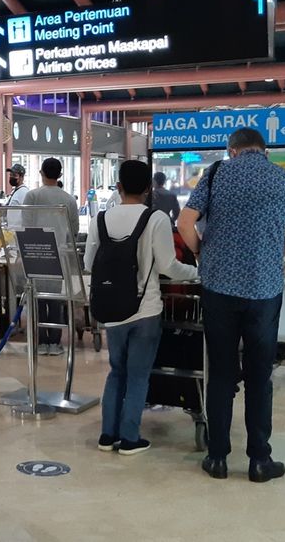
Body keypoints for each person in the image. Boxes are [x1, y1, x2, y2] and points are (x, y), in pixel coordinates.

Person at [176, 128, 285, 484]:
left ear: (232, 150)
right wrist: (268, 251)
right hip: (264, 292)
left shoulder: (217, 173)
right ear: (264, 151)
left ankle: (217, 457)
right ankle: (259, 460)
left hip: (219, 288)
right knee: (259, 376)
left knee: (220, 374)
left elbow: (185, 223)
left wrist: (202, 251)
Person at [86, 161, 198, 455]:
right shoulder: (156, 219)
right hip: (145, 310)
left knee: (116, 372)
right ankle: (130, 438)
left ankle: (107, 435)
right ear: (149, 190)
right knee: (138, 375)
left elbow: (88, 264)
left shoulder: (100, 218)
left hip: (111, 310)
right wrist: (197, 272)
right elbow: (168, 266)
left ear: (118, 187)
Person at [23, 157, 79, 356]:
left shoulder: (32, 196)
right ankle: (55, 343)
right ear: (60, 175)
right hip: (60, 254)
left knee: (37, 298)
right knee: (55, 299)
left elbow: (26, 225)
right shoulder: (69, 199)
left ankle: (39, 342)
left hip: (36, 254)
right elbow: (74, 229)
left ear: (41, 173)